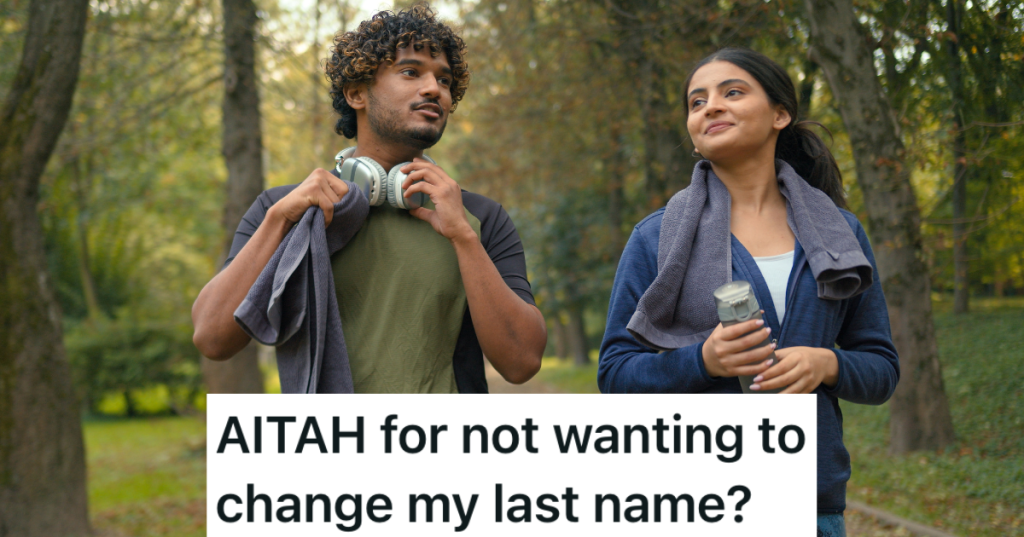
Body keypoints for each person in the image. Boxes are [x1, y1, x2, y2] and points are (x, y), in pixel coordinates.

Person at [598, 48, 899, 535]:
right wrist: (703, 360)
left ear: (780, 114)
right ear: (693, 134)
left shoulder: (839, 235)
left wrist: (829, 364)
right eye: (697, 102)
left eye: (731, 92)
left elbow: (882, 368)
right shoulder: (655, 238)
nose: (710, 107)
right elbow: (614, 374)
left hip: (812, 507)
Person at [192, 5, 545, 392]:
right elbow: (213, 339)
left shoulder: (477, 217)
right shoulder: (286, 209)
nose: (434, 89)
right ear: (357, 93)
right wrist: (278, 222)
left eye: (444, 80)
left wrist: (463, 238)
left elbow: (522, 362)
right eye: (411, 72)